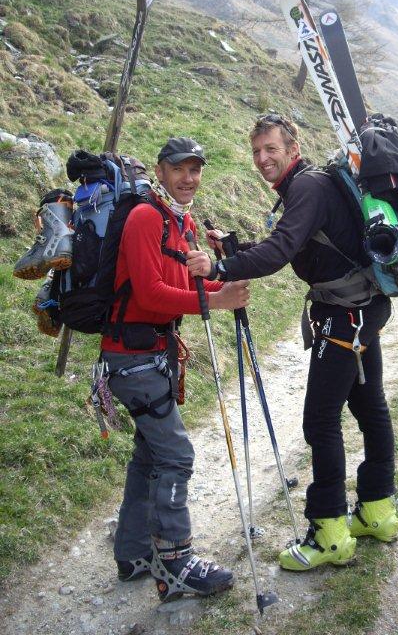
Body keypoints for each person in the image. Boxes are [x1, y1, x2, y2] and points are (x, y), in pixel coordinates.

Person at [187, 114, 398, 572]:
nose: (263, 158)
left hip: (343, 317)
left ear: (292, 148)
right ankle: (378, 512)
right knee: (369, 408)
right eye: (257, 151)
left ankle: (329, 533)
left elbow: (279, 252)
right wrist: (235, 252)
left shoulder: (307, 188)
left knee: (320, 421)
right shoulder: (309, 186)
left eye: (271, 149)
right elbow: (292, 244)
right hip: (364, 307)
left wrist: (218, 270)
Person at [100, 136, 250, 601]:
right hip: (132, 357)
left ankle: (134, 554)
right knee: (176, 456)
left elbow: (184, 281)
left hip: (152, 353)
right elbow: (148, 294)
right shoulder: (147, 217)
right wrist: (215, 301)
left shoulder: (176, 220)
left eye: (195, 169)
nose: (189, 178)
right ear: (160, 172)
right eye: (179, 169)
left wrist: (224, 280)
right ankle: (176, 563)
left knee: (150, 455)